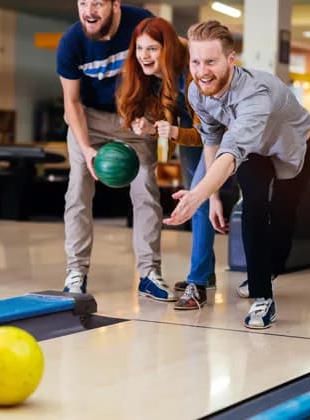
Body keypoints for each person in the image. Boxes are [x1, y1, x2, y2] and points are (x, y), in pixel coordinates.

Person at [164, 21, 310, 329]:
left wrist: (196, 196)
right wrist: (211, 198)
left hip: (295, 147)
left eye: (211, 61)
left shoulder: (255, 93)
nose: (202, 71)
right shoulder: (197, 91)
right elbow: (212, 139)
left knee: (283, 215)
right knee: (254, 207)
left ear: (230, 60)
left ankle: (270, 268)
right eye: (196, 61)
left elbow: (231, 150)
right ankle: (263, 296)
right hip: (252, 152)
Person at [56, 0, 176, 302]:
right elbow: (71, 103)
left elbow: (164, 68)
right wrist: (86, 149)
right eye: (83, 3)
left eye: (97, 3)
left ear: (115, 4)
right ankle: (76, 272)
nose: (89, 11)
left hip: (133, 117)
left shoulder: (141, 23)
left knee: (147, 189)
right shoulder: (71, 42)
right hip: (89, 119)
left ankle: (149, 274)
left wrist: (150, 115)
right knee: (77, 191)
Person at [116, 17, 224, 310]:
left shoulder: (193, 70)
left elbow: (209, 132)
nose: (144, 56)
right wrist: (148, 125)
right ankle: (208, 272)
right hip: (191, 130)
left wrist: (174, 131)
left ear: (168, 49)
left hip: (217, 131)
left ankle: (198, 283)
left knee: (198, 200)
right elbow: (157, 110)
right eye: (140, 49)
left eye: (152, 49)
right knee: (193, 192)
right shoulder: (149, 74)